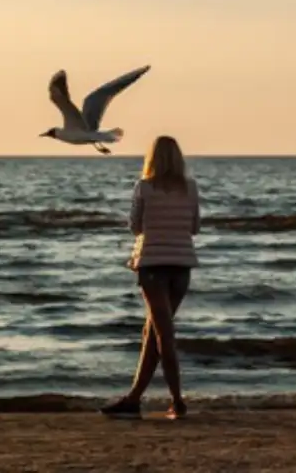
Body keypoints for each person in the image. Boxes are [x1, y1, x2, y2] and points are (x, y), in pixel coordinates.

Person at [100, 135, 200, 420]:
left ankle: (177, 401)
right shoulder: (190, 188)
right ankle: (134, 399)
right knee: (154, 332)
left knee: (163, 334)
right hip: (181, 266)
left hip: (153, 265)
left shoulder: (143, 187)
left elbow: (134, 227)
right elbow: (195, 227)